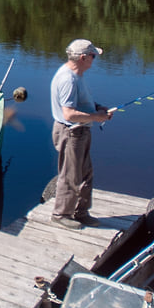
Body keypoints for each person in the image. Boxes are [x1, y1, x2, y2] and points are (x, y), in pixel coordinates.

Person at [49, 39, 112, 229]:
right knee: (70, 176)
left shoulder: (77, 75)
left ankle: (80, 212)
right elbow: (68, 113)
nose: (94, 59)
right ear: (83, 58)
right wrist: (95, 117)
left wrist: (97, 108)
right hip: (71, 133)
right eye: (93, 56)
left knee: (85, 174)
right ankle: (61, 215)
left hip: (81, 131)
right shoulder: (67, 79)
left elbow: (80, 103)